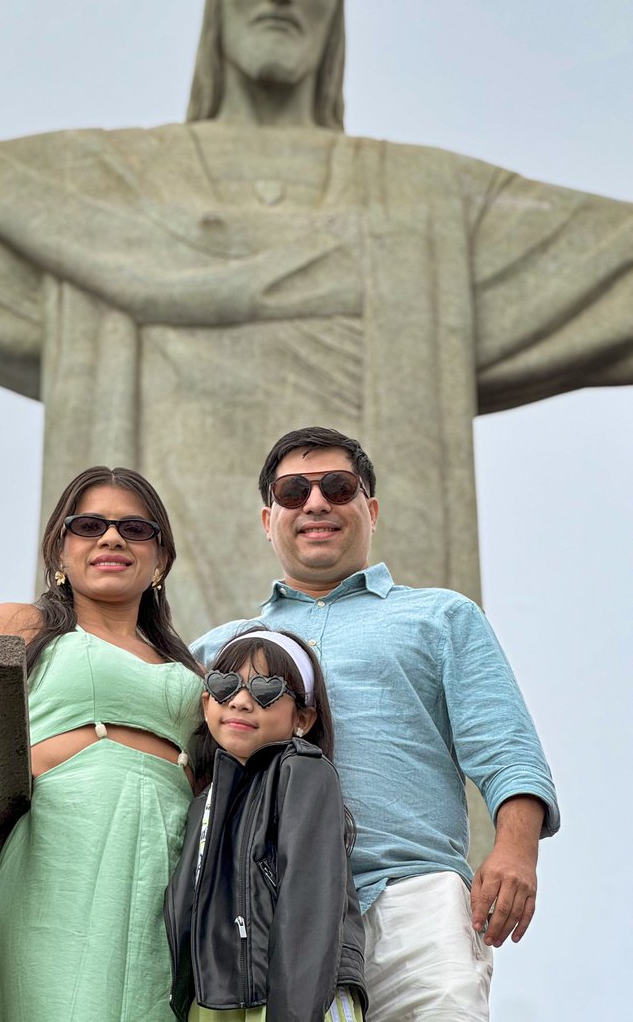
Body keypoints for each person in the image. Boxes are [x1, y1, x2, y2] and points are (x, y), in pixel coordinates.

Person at [0, 0, 630, 639]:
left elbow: (603, 260)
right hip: (145, 668)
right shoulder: (110, 189)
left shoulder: (427, 201)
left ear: (337, 10)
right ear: (218, 3)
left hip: (373, 707)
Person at [192, 427, 560, 1022]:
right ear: (268, 519)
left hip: (413, 897)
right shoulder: (218, 652)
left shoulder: (441, 617)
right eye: (293, 492)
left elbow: (505, 745)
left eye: (338, 487)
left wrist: (517, 851)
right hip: (267, 908)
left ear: (371, 509)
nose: (316, 503)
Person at [0, 465, 204, 1022]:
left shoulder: (190, 665)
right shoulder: (22, 624)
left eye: (135, 528)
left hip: (169, 857)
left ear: (161, 560)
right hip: (63, 847)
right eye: (89, 524)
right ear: (59, 548)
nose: (112, 538)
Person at [165, 627, 367, 1022]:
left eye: (266, 690)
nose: (240, 702)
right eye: (225, 686)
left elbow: (309, 909)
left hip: (301, 998)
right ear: (207, 702)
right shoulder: (203, 803)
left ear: (303, 719)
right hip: (216, 1001)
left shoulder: (304, 772)